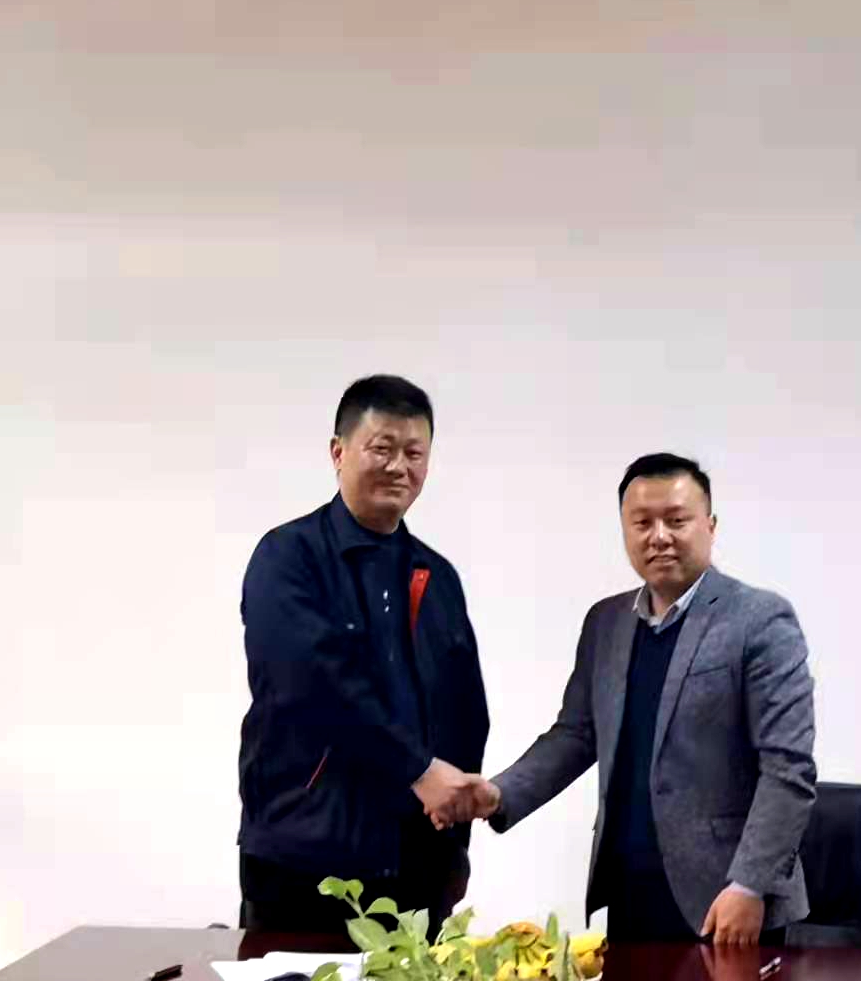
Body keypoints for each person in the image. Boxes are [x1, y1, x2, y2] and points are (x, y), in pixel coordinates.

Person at [442, 453, 816, 946]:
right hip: (630, 887)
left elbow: (788, 769)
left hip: (727, 900)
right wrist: (500, 793)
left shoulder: (760, 620)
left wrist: (751, 885)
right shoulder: (606, 622)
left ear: (710, 526)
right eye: (642, 523)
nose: (659, 536)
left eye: (677, 520)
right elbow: (576, 735)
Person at [236, 375, 488, 936]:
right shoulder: (288, 558)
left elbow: (466, 713)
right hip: (305, 863)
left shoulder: (436, 575)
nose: (399, 466)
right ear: (338, 451)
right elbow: (312, 686)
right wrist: (419, 769)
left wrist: (454, 832)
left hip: (417, 867)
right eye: (382, 448)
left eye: (414, 453)